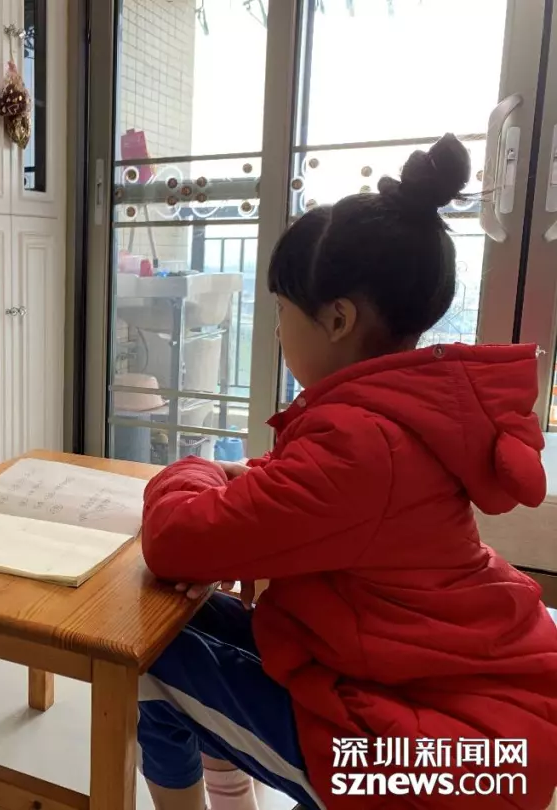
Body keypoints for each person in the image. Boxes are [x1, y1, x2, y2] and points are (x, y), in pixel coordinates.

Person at [136, 134, 557, 810]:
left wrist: (192, 470)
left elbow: (173, 540)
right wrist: (248, 488)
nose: (277, 331)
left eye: (281, 311)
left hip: (430, 761)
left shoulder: (360, 445)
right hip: (459, 704)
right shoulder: (402, 415)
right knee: (189, 625)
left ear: (337, 318)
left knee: (145, 658)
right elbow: (321, 502)